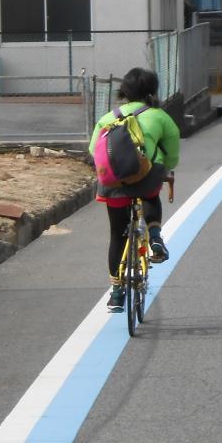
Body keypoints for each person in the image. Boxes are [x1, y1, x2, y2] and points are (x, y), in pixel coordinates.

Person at [91, 67, 180, 312]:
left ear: (124, 91)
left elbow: (93, 150)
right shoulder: (159, 116)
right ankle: (155, 237)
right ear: (152, 90)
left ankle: (116, 293)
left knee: (116, 234)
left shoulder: (108, 118)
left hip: (113, 183)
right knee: (150, 195)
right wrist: (166, 167)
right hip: (147, 176)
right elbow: (172, 151)